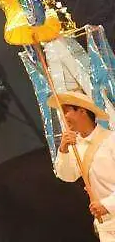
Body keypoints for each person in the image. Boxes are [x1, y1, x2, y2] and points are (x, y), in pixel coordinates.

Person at [52, 90, 115, 240]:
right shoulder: (77, 146)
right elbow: (67, 176)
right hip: (106, 224)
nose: (63, 117)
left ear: (81, 111)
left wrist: (107, 204)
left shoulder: (111, 140)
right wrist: (64, 149)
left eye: (66, 111)